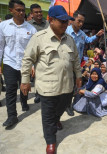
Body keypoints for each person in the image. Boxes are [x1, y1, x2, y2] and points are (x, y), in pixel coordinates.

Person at [20, 5, 82, 154]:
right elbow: (27, 59)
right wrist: (25, 80)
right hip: (47, 87)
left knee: (63, 106)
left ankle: (56, 119)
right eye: (62, 21)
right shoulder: (39, 38)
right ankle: (51, 141)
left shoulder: (70, 39)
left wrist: (79, 75)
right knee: (47, 115)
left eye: (67, 21)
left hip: (67, 85)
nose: (65, 24)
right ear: (51, 20)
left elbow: (75, 59)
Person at [0, 0, 37, 128]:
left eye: (23, 10)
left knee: (24, 87)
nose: (21, 12)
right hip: (9, 62)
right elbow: (0, 46)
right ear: (11, 10)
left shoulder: (31, 29)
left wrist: (33, 66)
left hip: (25, 64)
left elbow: (33, 50)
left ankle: (24, 102)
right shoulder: (3, 26)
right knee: (10, 89)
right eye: (18, 10)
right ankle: (12, 116)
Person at [28, 3, 50, 104]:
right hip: (34, 53)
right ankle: (38, 94)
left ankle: (46, 93)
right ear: (32, 14)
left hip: (46, 53)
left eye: (40, 11)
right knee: (37, 75)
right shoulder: (28, 25)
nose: (39, 14)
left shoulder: (47, 23)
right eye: (36, 12)